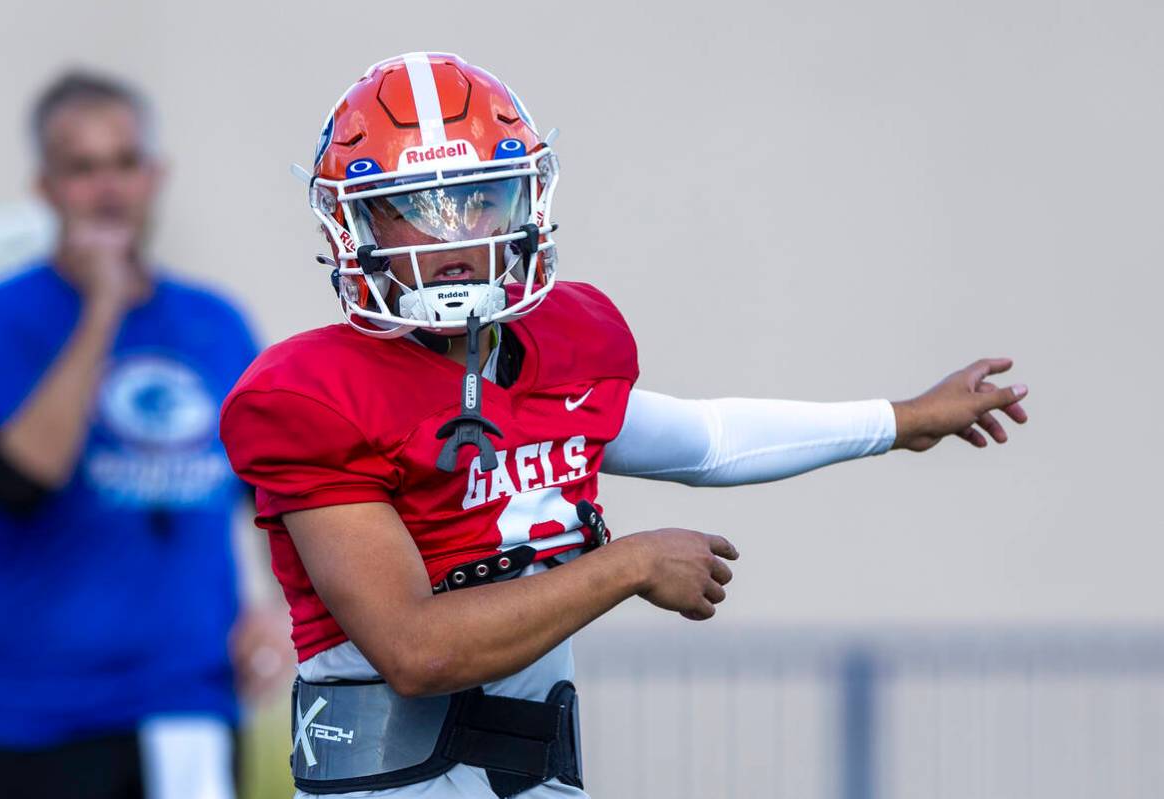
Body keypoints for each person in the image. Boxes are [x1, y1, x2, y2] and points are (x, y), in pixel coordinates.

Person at [219, 52, 1029, 799]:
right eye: (412, 209)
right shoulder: (310, 395)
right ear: (352, 228)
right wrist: (629, 563)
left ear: (529, 200)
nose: (454, 236)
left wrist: (903, 420)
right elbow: (416, 648)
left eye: (478, 200)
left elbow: (706, 439)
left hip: (533, 778)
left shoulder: (562, 348)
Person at [0, 71, 291, 799]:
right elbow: (20, 479)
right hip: (21, 715)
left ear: (154, 175)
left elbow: (275, 491)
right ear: (45, 187)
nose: (107, 189)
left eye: (123, 163)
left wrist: (279, 613)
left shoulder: (216, 323)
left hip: (182, 703)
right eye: (82, 169)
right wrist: (102, 307)